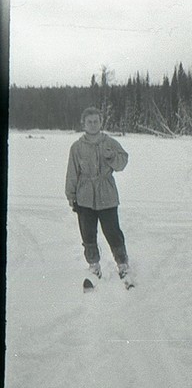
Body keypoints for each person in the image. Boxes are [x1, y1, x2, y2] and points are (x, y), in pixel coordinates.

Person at [65, 106, 131, 281]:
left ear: (101, 122)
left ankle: (123, 264)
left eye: (96, 121)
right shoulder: (77, 147)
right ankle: (94, 266)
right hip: (84, 196)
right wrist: (71, 195)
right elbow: (72, 173)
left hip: (107, 195)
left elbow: (122, 163)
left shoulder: (109, 143)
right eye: (89, 122)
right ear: (83, 124)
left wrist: (112, 158)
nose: (93, 125)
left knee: (112, 231)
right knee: (87, 233)